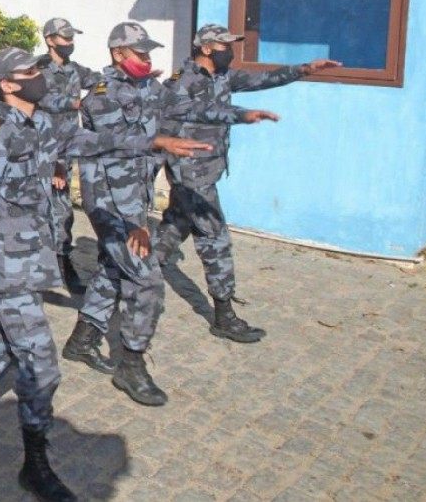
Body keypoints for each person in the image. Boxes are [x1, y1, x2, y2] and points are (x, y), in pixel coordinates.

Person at [0, 47, 209, 502]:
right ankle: (35, 465)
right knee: (40, 367)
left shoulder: (41, 123)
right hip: (5, 263)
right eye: (30, 72)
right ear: (7, 84)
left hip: (32, 257)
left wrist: (156, 142)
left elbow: (92, 142)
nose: (40, 76)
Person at [67, 22, 279, 407]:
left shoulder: (149, 87)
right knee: (147, 281)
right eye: (140, 53)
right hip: (112, 200)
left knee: (115, 267)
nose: (147, 59)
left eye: (149, 53)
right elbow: (118, 149)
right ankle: (131, 365)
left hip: (135, 195)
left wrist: (240, 115)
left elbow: (188, 107)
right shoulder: (102, 94)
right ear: (118, 53)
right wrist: (136, 218)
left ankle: (82, 340)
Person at [154, 24, 340, 342]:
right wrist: (240, 115)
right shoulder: (182, 83)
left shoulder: (223, 76)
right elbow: (182, 120)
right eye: (225, 45)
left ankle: (126, 275)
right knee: (215, 238)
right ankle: (223, 315)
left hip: (207, 169)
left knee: (174, 228)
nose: (231, 50)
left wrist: (305, 69)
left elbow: (263, 78)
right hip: (191, 173)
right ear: (206, 48)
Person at [34, 17, 102, 289]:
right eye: (65, 37)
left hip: (66, 150)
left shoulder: (75, 69)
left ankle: (61, 262)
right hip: (42, 150)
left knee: (61, 211)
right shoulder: (38, 69)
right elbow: (39, 99)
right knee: (40, 207)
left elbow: (100, 82)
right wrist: (73, 103)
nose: (70, 42)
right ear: (50, 40)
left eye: (72, 37)